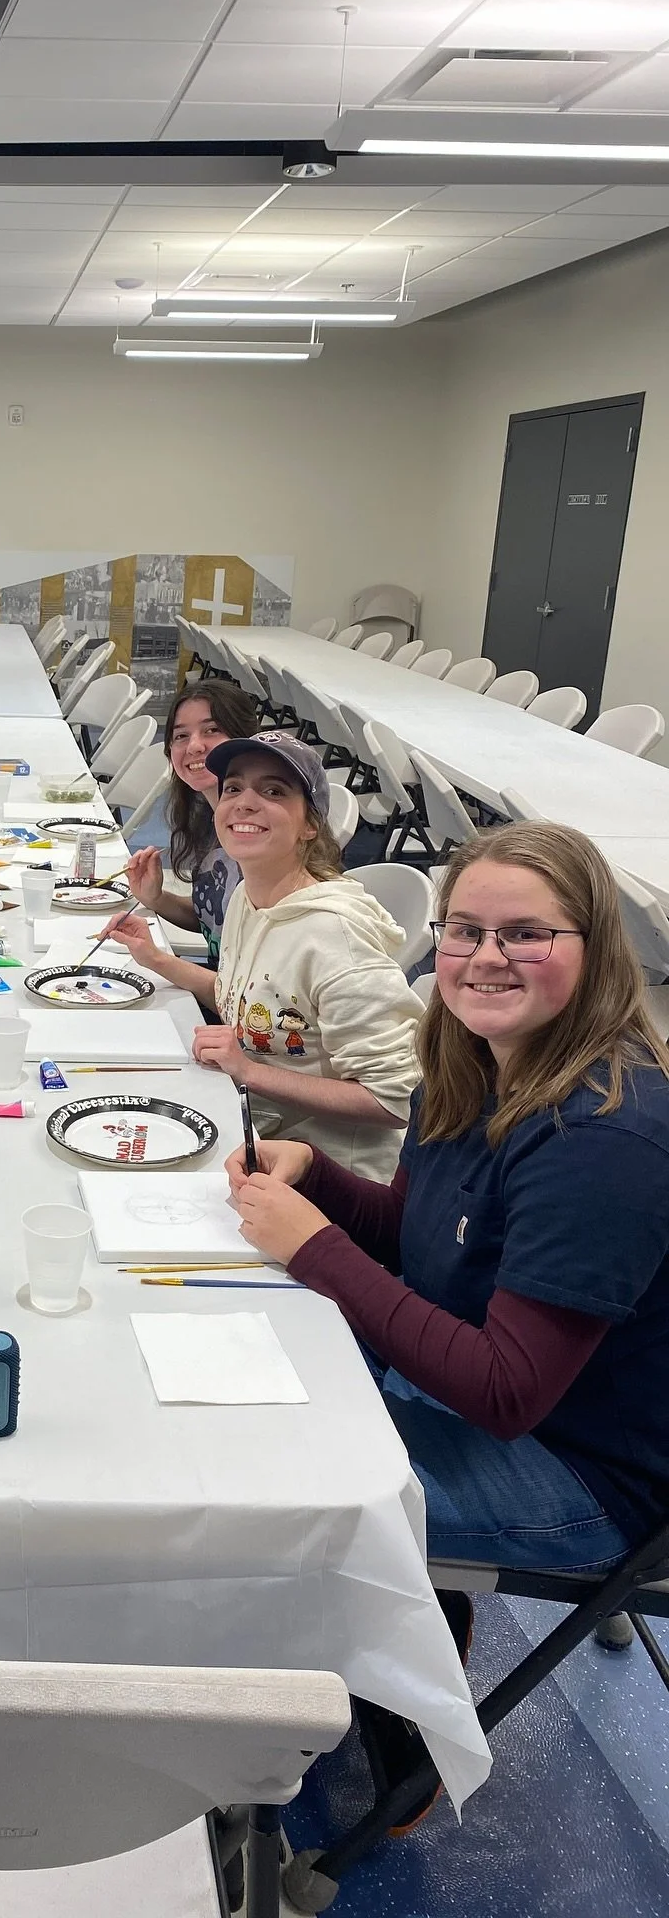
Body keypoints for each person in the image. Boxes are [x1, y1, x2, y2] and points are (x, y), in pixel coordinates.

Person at [227, 823, 669, 1825]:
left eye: (526, 933)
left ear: (595, 951)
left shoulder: (606, 1135)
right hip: (492, 1391)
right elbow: (430, 1244)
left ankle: (398, 1713)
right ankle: (400, 1627)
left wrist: (313, 1249)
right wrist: (323, 1181)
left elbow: (506, 1393)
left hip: (587, 1473)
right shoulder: (473, 1061)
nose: (484, 957)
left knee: (269, 1478)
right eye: (464, 930)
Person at [114, 731, 421, 1179]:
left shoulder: (334, 934)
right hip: (253, 1134)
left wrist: (250, 1072)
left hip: (330, 1180)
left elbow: (395, 1099)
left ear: (310, 825)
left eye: (273, 791)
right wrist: (157, 959)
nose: (244, 802)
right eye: (233, 788)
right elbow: (248, 1002)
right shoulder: (248, 897)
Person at [120, 679, 260, 1006]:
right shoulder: (212, 822)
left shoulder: (258, 838)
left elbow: (258, 999)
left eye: (211, 730)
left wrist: (159, 960)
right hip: (220, 997)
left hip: (249, 1021)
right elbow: (217, 921)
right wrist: (157, 899)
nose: (194, 746)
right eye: (181, 736)